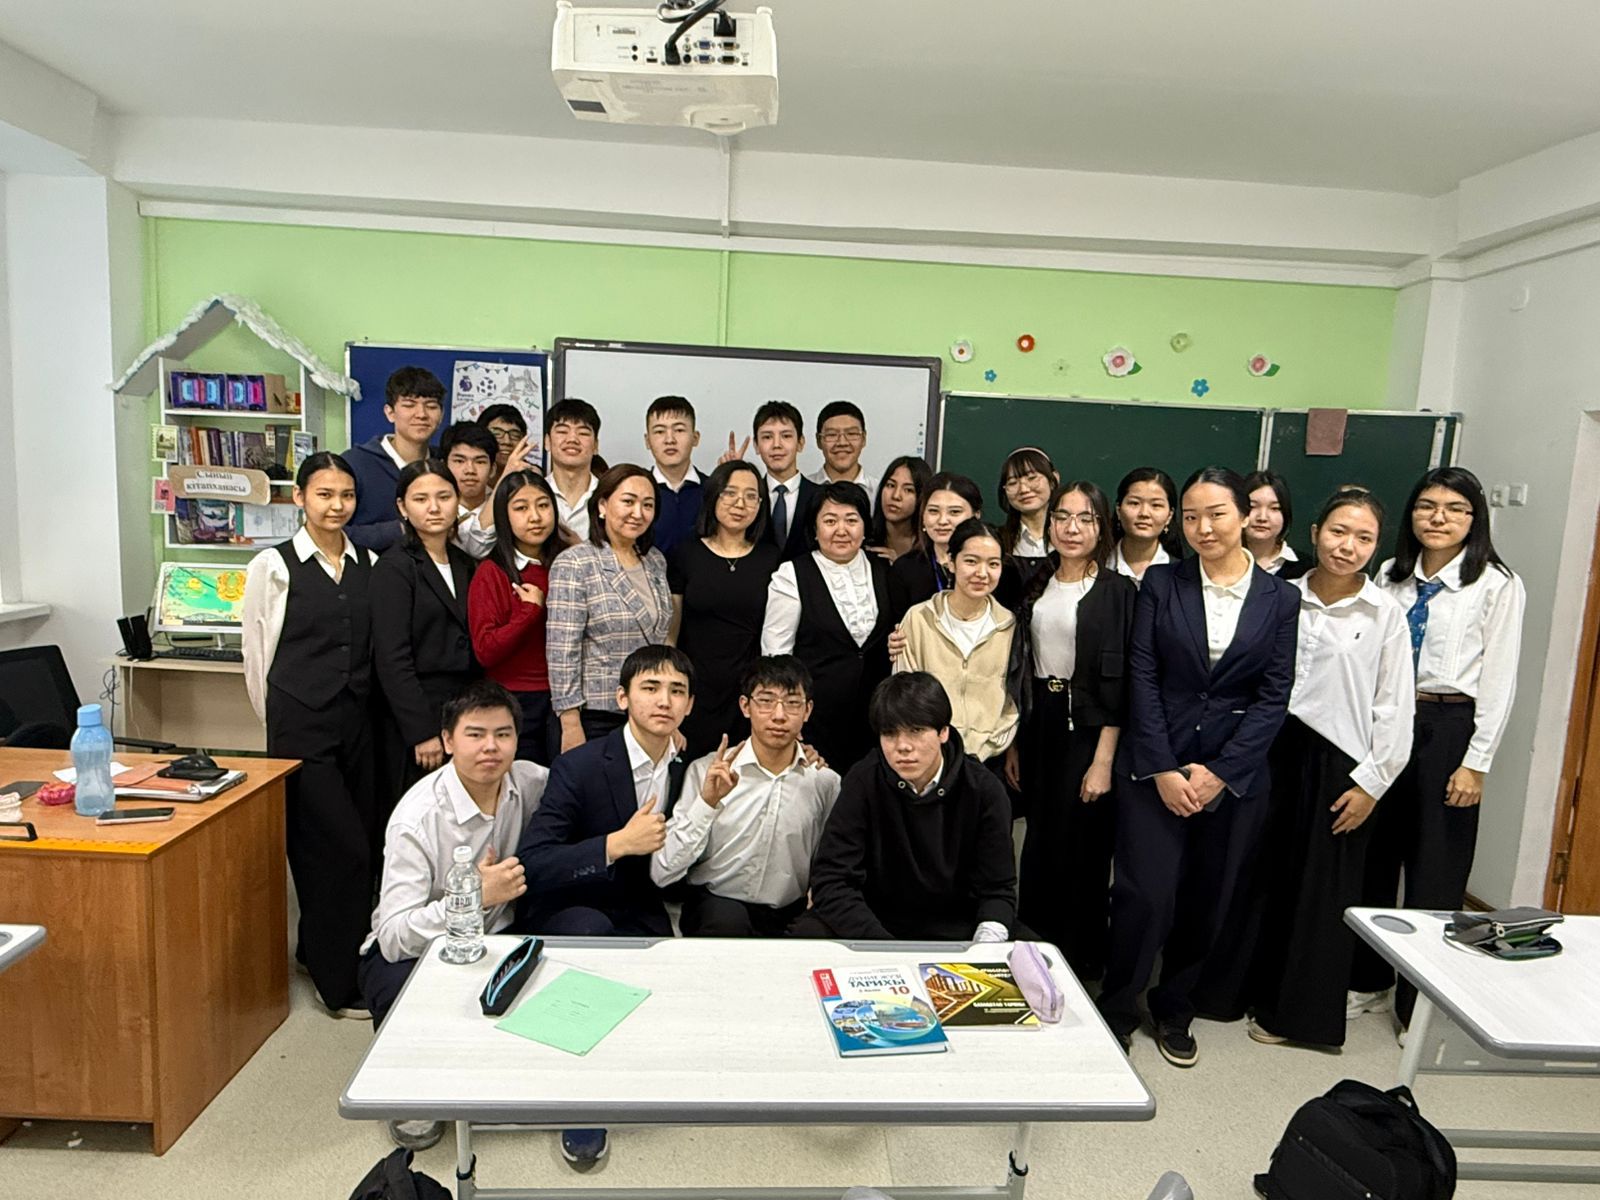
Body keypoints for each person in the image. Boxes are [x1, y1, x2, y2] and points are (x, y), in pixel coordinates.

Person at [1097, 466, 1299, 1067]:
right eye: (1190, 516)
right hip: (1154, 766)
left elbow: (1274, 695)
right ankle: (1118, 1007)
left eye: (1216, 514)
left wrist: (1221, 772)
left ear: (1245, 516)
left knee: (1208, 898)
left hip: (1232, 778)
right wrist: (1162, 766)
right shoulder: (1163, 583)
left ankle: (1175, 1007)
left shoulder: (1281, 597)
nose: (1202, 527)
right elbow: (1143, 675)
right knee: (1145, 894)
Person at [1351, 466, 1525, 1031]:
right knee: (1374, 861)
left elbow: (1499, 681)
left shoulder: (1496, 584)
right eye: (1427, 506)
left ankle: (1418, 1005)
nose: (1438, 518)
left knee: (1434, 872)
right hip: (1387, 723)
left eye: (1454, 509)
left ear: (1475, 519)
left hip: (1449, 726)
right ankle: (1369, 982)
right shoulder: (1390, 574)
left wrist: (1476, 763)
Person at [1248, 488, 1414, 1049]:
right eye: (1339, 531)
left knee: (1322, 892)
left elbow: (1395, 705)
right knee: (1264, 878)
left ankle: (1299, 1018)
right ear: (1316, 531)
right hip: (1272, 748)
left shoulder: (1384, 613)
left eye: (1364, 538)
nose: (1348, 546)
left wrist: (1373, 783)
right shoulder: (1280, 596)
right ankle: (1250, 992)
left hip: (1340, 759)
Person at [516, 644, 693, 1171]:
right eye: (650, 688)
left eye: (677, 691)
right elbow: (533, 863)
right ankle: (579, 1101)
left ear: (689, 706)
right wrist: (615, 845)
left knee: (671, 962)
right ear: (621, 698)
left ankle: (621, 1070)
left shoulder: (685, 764)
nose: (664, 701)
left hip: (637, 900)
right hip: (569, 903)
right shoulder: (579, 765)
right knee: (593, 942)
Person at [358, 680, 546, 1151]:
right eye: (475, 734)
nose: (490, 747)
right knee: (394, 982)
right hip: (423, 948)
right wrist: (473, 897)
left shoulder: (529, 782)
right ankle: (409, 1088)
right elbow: (393, 936)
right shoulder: (418, 817)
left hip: (502, 933)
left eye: (503, 734)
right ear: (447, 740)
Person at [242, 452, 381, 1018]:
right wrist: (277, 723)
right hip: (300, 724)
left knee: (363, 842)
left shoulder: (369, 561)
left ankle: (314, 952)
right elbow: (256, 653)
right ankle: (335, 983)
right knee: (335, 850)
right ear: (300, 498)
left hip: (359, 722)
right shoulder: (273, 566)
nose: (336, 506)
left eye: (346, 495)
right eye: (324, 494)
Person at [1006, 480, 1136, 981]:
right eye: (1062, 516)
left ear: (1102, 527)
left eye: (1085, 518)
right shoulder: (1035, 582)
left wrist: (1103, 760)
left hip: (1089, 728)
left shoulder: (1118, 591)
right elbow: (1020, 666)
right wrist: (1015, 741)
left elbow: (1121, 683)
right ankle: (1034, 950)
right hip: (1040, 722)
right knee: (1040, 840)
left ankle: (1081, 960)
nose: (1072, 528)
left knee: (1084, 846)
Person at [790, 672, 1017, 941]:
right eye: (890, 734)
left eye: (916, 731)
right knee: (808, 933)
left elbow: (997, 890)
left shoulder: (984, 790)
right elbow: (832, 880)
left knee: (1028, 950)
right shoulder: (863, 780)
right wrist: (886, 948)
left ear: (943, 732)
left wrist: (984, 946)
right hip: (874, 923)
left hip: (955, 925)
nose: (903, 747)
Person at [651, 656, 841, 936]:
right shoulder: (707, 770)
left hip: (788, 912)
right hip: (716, 905)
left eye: (792, 703)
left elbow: (829, 863)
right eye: (766, 701)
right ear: (745, 706)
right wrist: (707, 803)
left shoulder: (824, 782)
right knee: (727, 921)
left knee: (818, 933)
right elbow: (663, 870)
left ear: (807, 710)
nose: (779, 715)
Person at [761, 481, 895, 770]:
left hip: (877, 720)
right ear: (814, 527)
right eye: (830, 521)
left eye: (851, 520)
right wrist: (789, 721)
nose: (841, 530)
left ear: (865, 526)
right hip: (816, 723)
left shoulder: (884, 569)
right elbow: (777, 655)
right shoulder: (792, 574)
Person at [371, 461, 480, 799]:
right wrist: (421, 732)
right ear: (402, 507)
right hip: (417, 715)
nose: (434, 507)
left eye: (444, 497)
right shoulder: (394, 567)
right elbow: (392, 658)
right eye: (421, 499)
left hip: (463, 708)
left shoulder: (466, 563)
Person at [548, 464, 674, 750]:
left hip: (647, 713)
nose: (638, 513)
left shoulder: (655, 560)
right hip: (595, 714)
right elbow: (562, 651)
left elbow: (659, 641)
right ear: (602, 505)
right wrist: (570, 722)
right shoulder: (575, 562)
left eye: (648, 505)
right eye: (628, 501)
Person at [668, 460, 779, 758]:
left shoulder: (772, 558)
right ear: (713, 496)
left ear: (760, 505)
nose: (739, 503)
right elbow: (671, 635)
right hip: (695, 687)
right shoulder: (686, 553)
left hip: (748, 692)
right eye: (730, 493)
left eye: (751, 496)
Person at [468, 470, 577, 765]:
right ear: (504, 515)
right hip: (514, 701)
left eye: (543, 505)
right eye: (521, 508)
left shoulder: (569, 563)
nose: (535, 517)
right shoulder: (492, 572)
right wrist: (528, 612)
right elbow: (485, 651)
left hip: (567, 700)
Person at [893, 518, 1019, 766]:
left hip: (987, 759)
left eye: (993, 564)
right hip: (928, 758)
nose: (982, 573)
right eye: (971, 561)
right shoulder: (919, 618)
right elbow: (905, 695)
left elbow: (1013, 699)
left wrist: (989, 746)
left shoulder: (1010, 625)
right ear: (950, 562)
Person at [889, 472, 1020, 617]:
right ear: (923, 516)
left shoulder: (1003, 570)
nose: (942, 520)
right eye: (933, 511)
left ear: (976, 516)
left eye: (954, 512)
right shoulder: (905, 569)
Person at [345, 367, 445, 552]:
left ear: (441, 415)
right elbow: (333, 533)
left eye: (431, 406)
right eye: (409, 405)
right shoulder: (354, 464)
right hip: (372, 569)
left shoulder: (445, 464)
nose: (421, 414)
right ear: (390, 412)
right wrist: (403, 529)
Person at [745, 400, 820, 560]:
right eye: (767, 437)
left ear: (800, 443)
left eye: (786, 436)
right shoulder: (747, 497)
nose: (777, 445)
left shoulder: (821, 497)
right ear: (756, 445)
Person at [644, 395, 704, 557]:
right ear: (647, 441)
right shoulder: (637, 490)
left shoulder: (712, 490)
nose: (669, 440)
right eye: (659, 431)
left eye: (679, 430)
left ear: (695, 438)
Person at [996, 447, 1060, 585]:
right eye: (1012, 483)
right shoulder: (996, 541)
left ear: (1053, 479)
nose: (1024, 489)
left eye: (1032, 478)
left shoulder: (1071, 537)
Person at [1111, 467, 1184, 587]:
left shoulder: (1183, 576)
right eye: (1134, 503)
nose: (1144, 513)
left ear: (1169, 516)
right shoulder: (1094, 567)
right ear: (1118, 510)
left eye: (1156, 505)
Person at [545, 398, 604, 540]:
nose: (572, 439)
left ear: (596, 446)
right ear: (547, 442)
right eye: (562, 431)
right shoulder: (534, 493)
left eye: (583, 433)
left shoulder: (608, 496)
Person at [440, 421, 500, 558]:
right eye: (459, 461)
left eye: (480, 462)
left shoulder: (504, 510)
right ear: (443, 466)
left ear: (492, 469)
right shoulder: (433, 511)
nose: (470, 470)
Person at [807, 400, 878, 506]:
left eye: (851, 434)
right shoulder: (802, 490)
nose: (842, 443)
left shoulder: (880, 492)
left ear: (863, 439)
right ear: (818, 441)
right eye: (832, 435)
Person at [867, 454, 932, 563]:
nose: (896, 496)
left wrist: (900, 567)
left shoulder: (931, 547)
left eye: (908, 490)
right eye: (891, 485)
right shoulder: (865, 539)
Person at [1243, 469, 1308, 579]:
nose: (1262, 517)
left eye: (1274, 508)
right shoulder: (1217, 560)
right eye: (1252, 506)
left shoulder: (1305, 568)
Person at [478, 402, 529, 482]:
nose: (507, 441)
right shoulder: (469, 476)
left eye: (514, 435)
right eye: (497, 434)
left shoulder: (531, 480)